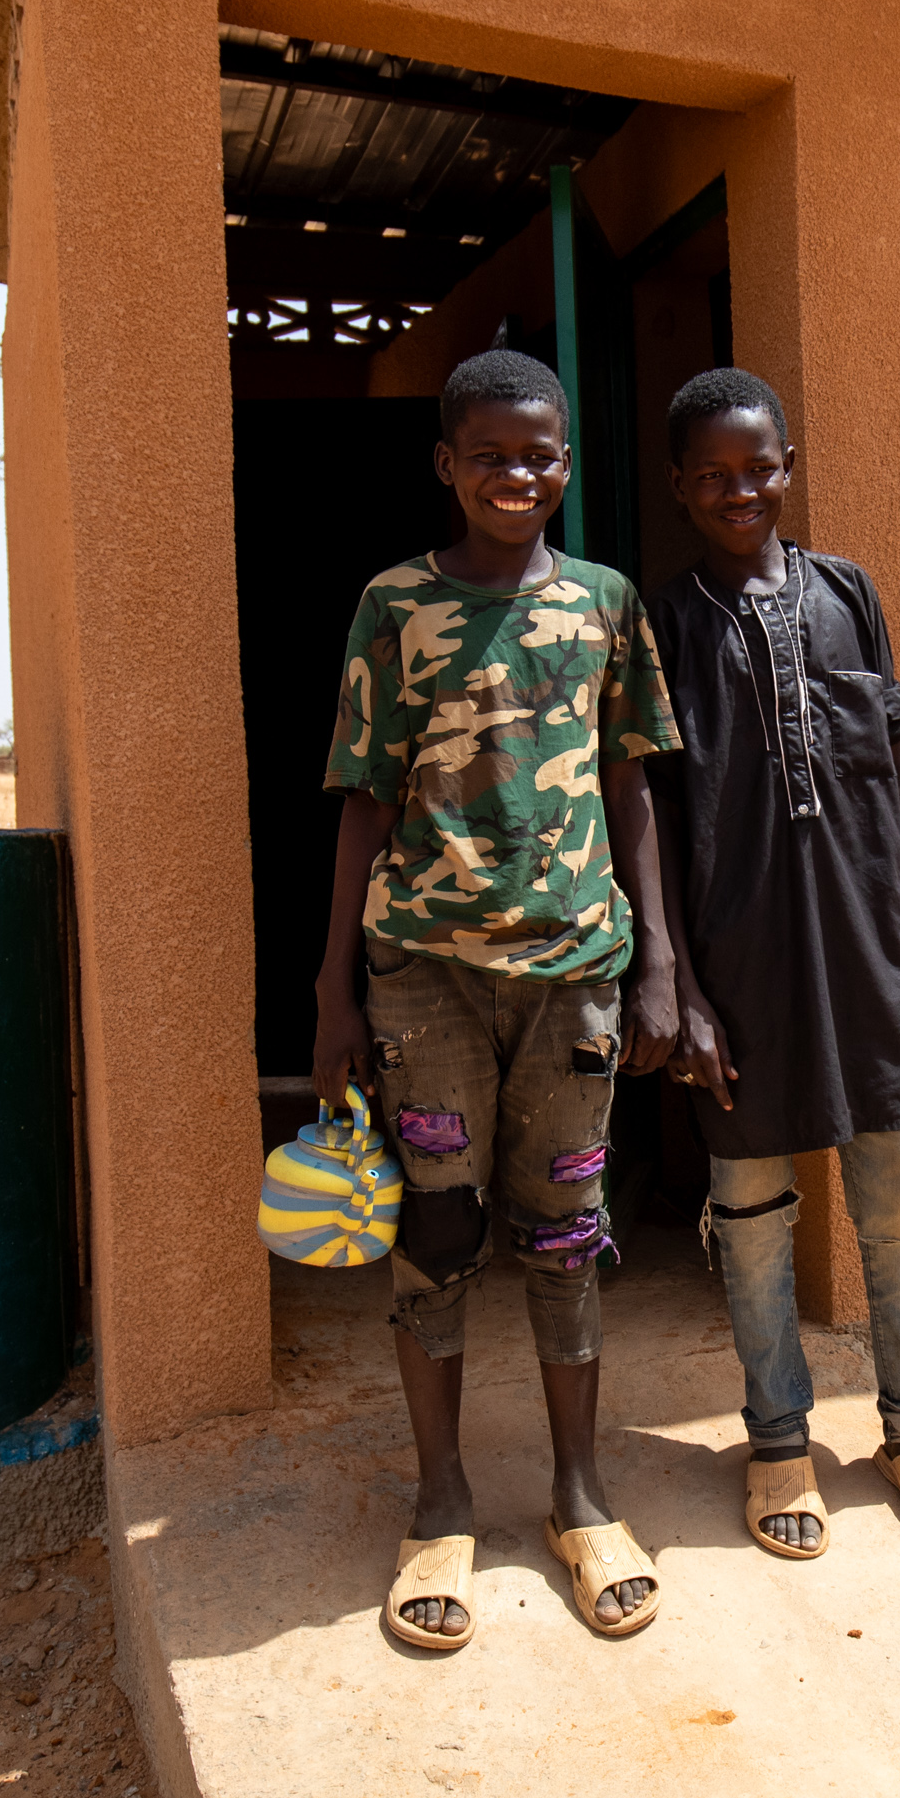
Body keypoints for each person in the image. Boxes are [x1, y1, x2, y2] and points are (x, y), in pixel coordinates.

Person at [314, 347, 690, 1651]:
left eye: (540, 454)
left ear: (567, 462)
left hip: (574, 970)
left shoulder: (605, 601)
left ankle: (580, 1493)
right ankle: (440, 1498)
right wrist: (331, 992)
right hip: (423, 975)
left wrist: (660, 962)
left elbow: (634, 781)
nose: (517, 475)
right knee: (437, 1226)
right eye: (490, 454)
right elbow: (363, 794)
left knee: (567, 1224)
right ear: (447, 465)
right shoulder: (394, 606)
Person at [647, 368, 900, 1558]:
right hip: (739, 959)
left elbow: (893, 763)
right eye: (712, 476)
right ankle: (779, 1437)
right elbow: (647, 801)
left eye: (758, 469)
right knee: (749, 1209)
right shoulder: (667, 622)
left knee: (897, 1200)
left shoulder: (848, 592)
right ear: (679, 489)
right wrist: (678, 984)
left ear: (788, 467)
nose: (738, 491)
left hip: (863, 950)